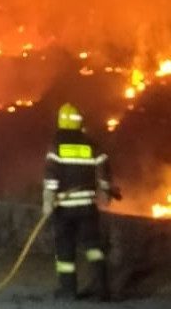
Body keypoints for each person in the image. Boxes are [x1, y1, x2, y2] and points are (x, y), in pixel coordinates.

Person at [43, 103, 113, 301]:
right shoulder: (92, 144)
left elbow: (51, 176)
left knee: (65, 250)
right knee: (93, 248)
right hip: (87, 207)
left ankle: (68, 291)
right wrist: (105, 190)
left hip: (65, 209)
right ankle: (102, 290)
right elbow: (104, 167)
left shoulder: (57, 145)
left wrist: (48, 200)